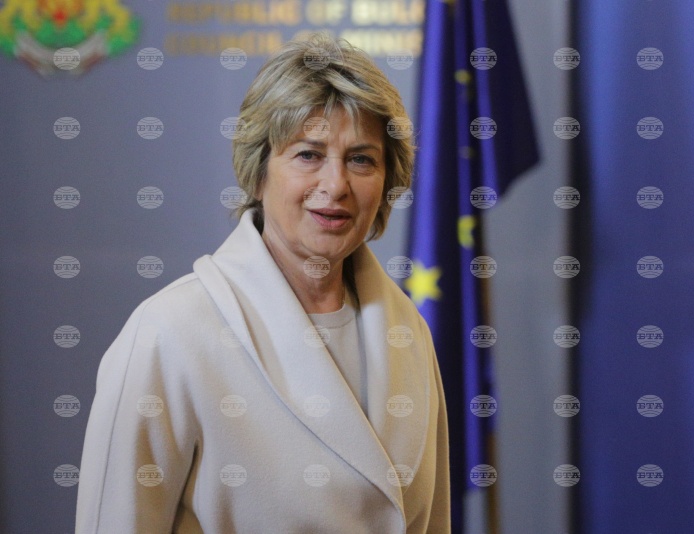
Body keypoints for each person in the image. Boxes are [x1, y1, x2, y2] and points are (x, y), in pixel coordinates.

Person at [75, 33, 450, 533]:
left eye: (361, 159)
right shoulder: (170, 333)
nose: (336, 185)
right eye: (309, 155)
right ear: (258, 172)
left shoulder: (409, 330)